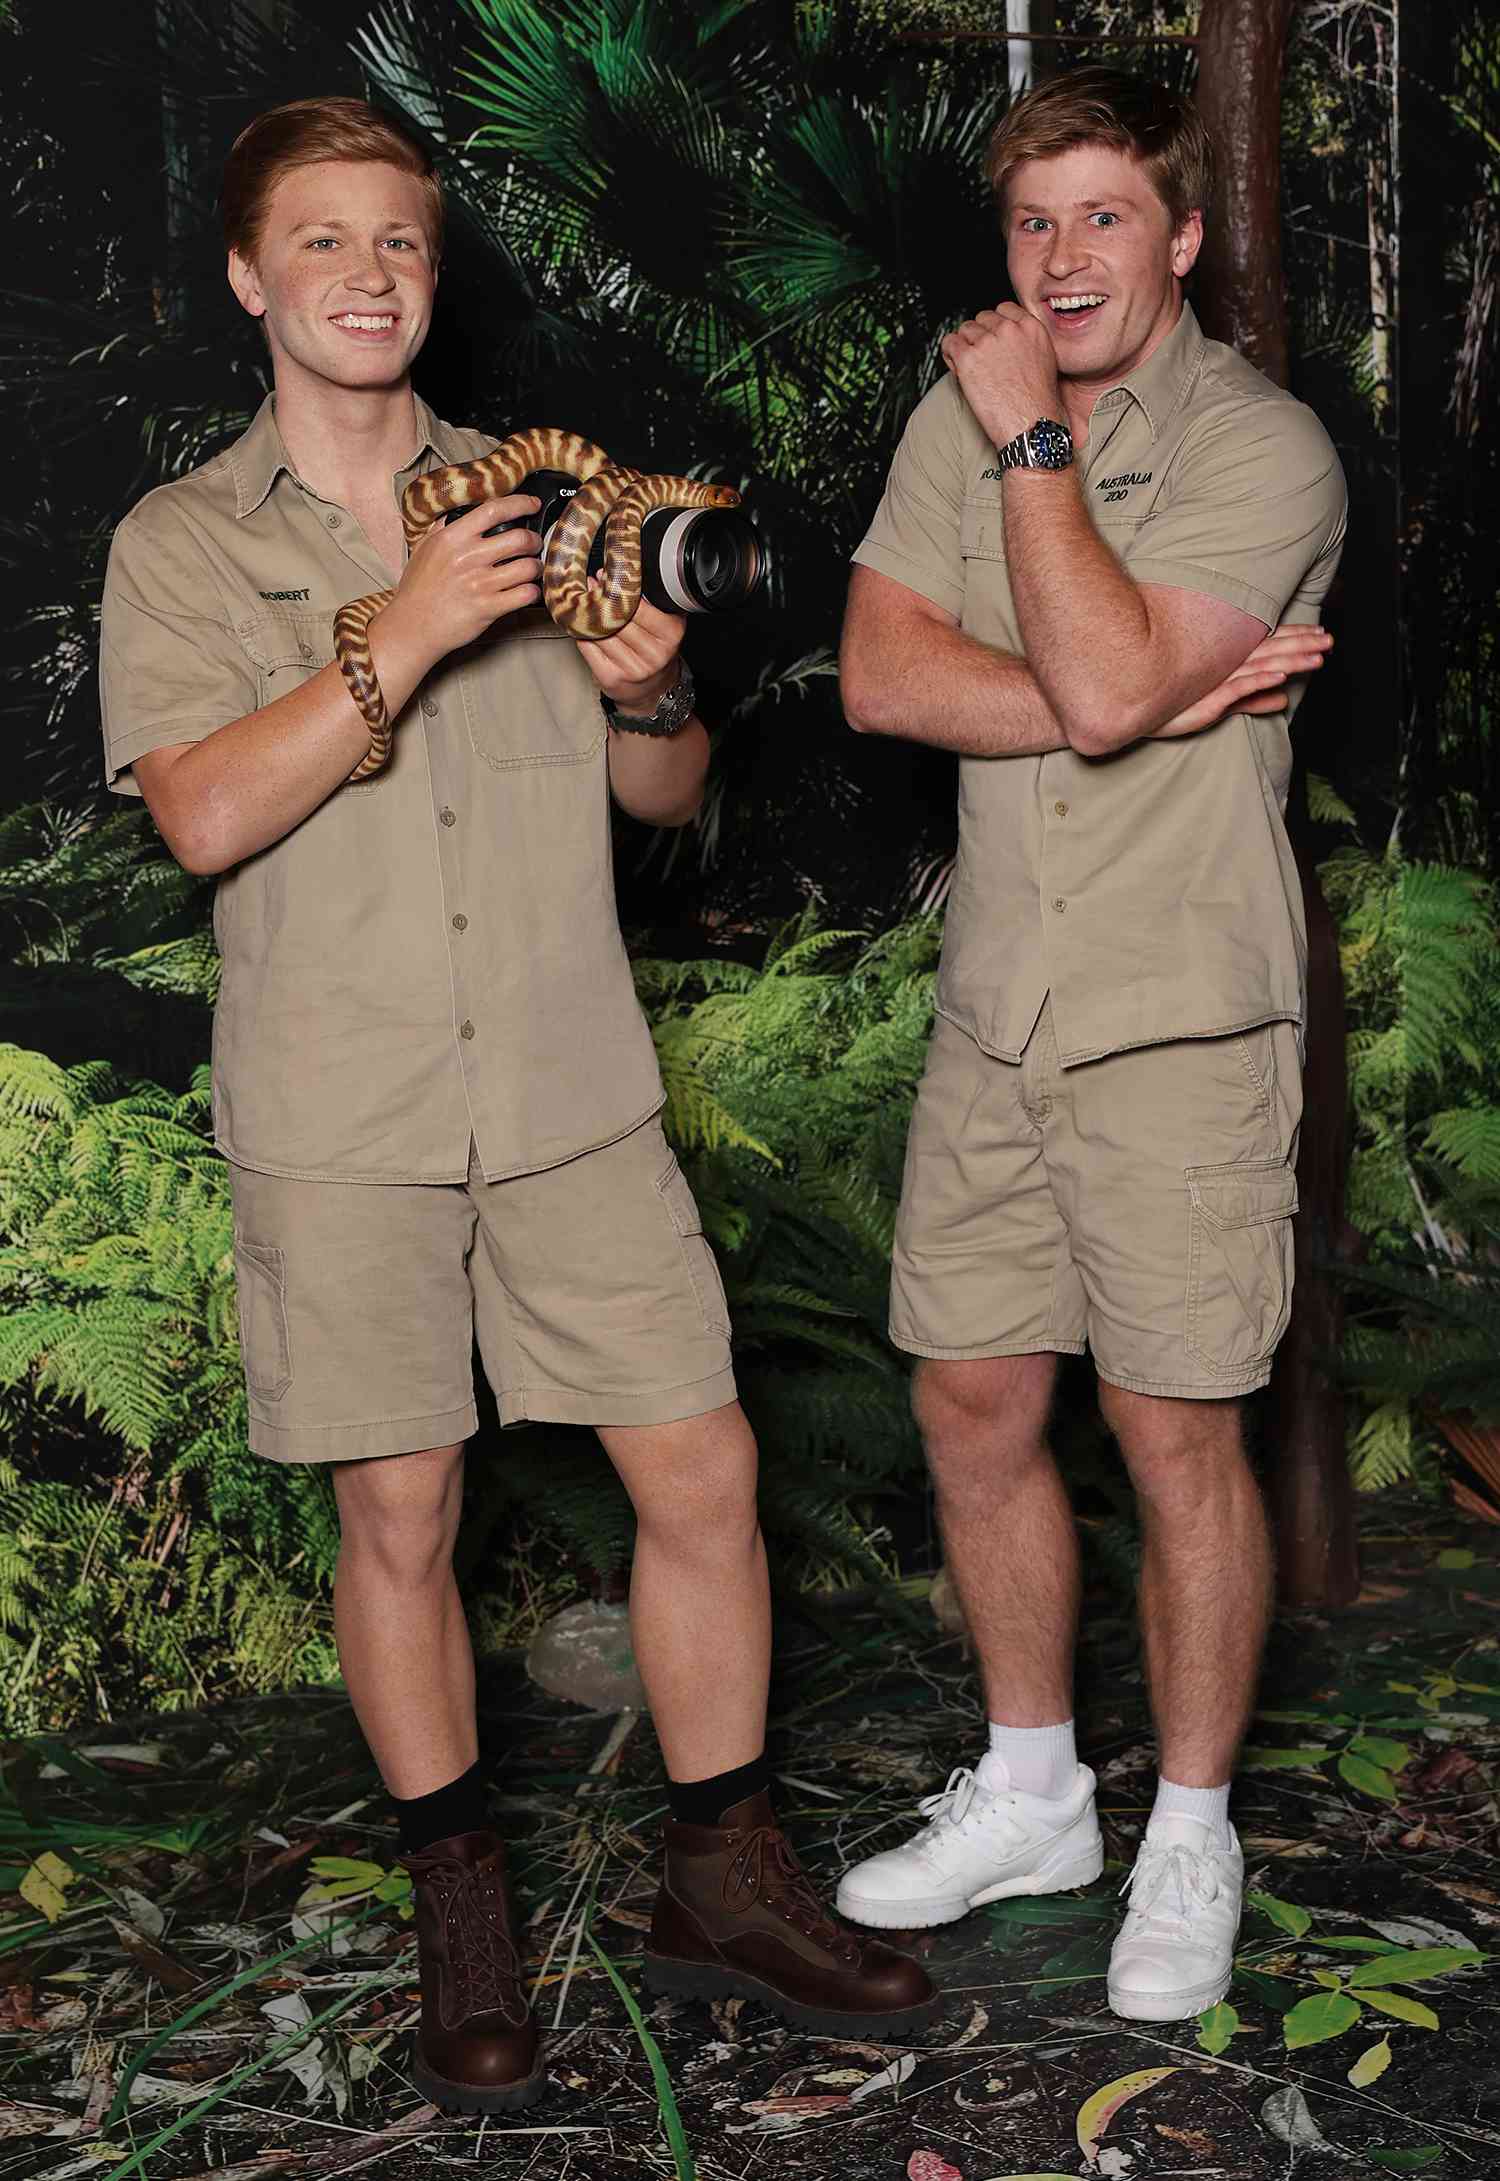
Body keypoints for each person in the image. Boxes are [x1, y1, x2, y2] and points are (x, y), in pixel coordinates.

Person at [99, 96, 934, 2115]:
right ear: (250, 276)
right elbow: (204, 814)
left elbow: (665, 805)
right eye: (325, 242)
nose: (372, 274)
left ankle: (721, 1872)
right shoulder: (186, 543)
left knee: (704, 1471)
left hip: (568, 1085)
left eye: (399, 239)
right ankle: (461, 1900)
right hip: (346, 1107)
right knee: (400, 1512)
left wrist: (651, 689)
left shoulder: (554, 502)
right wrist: (413, 629)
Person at [835, 66, 1346, 2024]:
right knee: (972, 1402)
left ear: (1185, 234)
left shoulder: (1263, 444)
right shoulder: (951, 413)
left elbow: (1121, 665)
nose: (1060, 259)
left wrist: (1048, 482)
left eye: (1104, 217)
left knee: (1172, 1430)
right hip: (1002, 1003)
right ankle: (1038, 1785)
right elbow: (888, 675)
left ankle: (1191, 1822)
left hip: (1177, 1013)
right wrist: (1131, 697)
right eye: (1031, 224)